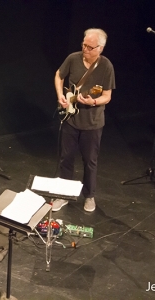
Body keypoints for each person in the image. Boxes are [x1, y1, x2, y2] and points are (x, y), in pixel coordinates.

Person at [53, 28, 115, 212]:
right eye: (83, 45)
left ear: (100, 48)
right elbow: (59, 75)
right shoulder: (73, 58)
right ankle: (63, 195)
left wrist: (93, 101)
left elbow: (107, 95)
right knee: (66, 159)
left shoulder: (106, 67)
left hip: (93, 123)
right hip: (71, 119)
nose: (85, 49)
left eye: (90, 47)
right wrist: (60, 96)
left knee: (90, 161)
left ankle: (89, 196)